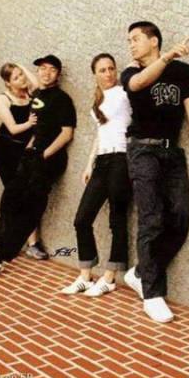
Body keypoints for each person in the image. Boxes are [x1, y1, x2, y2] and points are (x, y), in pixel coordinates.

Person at [120, 21, 189, 323]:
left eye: (136, 39)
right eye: (129, 40)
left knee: (180, 219)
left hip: (172, 152)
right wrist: (167, 57)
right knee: (151, 219)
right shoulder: (131, 72)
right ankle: (152, 294)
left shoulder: (183, 72)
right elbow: (139, 84)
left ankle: (141, 272)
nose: (131, 45)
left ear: (154, 40)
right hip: (142, 150)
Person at [0, 54, 77, 275]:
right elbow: (37, 126)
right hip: (30, 158)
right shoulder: (37, 95)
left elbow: (66, 134)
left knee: (29, 209)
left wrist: (43, 155)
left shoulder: (61, 99)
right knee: (9, 201)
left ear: (58, 74)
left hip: (48, 161)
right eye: (42, 68)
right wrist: (30, 150)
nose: (46, 73)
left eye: (52, 69)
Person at [61, 53, 133, 297]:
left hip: (121, 158)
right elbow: (101, 132)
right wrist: (89, 163)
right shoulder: (99, 98)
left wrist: (132, 67)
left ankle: (110, 277)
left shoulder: (123, 93)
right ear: (94, 74)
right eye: (102, 70)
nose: (108, 73)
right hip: (102, 160)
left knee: (117, 219)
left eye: (111, 68)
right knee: (82, 219)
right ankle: (85, 275)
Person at [0, 63, 48, 259]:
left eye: (21, 75)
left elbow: (38, 84)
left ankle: (30, 243)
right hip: (5, 152)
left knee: (27, 196)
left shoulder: (30, 94)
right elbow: (13, 128)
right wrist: (30, 123)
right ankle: (5, 242)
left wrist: (21, 66)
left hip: (25, 152)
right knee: (15, 196)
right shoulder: (3, 99)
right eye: (16, 78)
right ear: (7, 83)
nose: (22, 79)